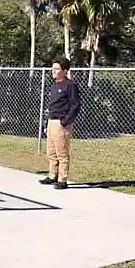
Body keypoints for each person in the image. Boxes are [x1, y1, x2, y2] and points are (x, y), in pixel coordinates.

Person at [39, 57, 81, 190]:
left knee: (62, 153)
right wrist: (47, 123)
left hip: (61, 123)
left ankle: (63, 179)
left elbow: (75, 105)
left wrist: (65, 121)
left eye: (57, 69)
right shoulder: (55, 85)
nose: (54, 71)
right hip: (51, 121)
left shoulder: (70, 85)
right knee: (51, 151)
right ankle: (52, 176)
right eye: (53, 68)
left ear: (65, 71)